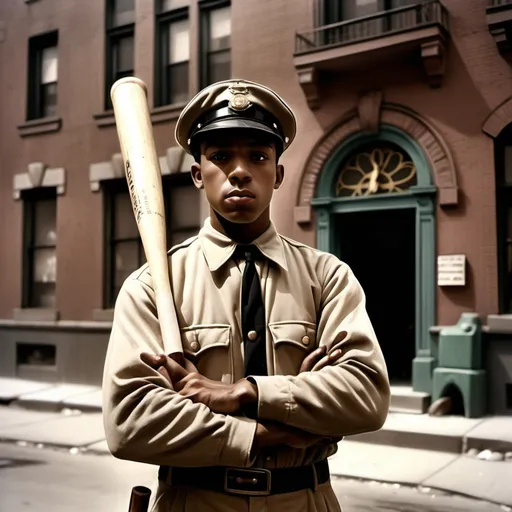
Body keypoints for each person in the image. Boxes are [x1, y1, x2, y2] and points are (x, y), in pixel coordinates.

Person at [102, 78, 390, 512]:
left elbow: (365, 396)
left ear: (278, 173)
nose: (239, 170)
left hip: (305, 501)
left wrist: (246, 393)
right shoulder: (151, 287)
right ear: (199, 174)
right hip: (193, 501)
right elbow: (130, 422)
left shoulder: (326, 277)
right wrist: (272, 429)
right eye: (220, 157)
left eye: (258, 156)